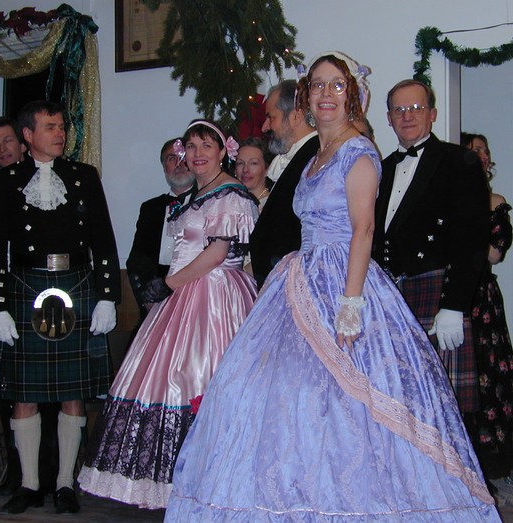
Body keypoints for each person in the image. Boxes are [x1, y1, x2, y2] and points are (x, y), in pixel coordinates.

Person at [165, 53, 499, 521]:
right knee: (283, 396)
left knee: (348, 403)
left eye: (336, 86)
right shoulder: (314, 156)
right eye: (318, 85)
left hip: (343, 279)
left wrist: (351, 303)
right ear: (307, 96)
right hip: (298, 280)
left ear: (353, 96)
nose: (326, 94)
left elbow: (363, 230)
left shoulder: (358, 151)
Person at [78, 119, 259, 509]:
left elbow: (217, 254)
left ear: (222, 150)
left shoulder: (230, 194)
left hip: (214, 297)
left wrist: (170, 285)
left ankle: (216, 489)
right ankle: (176, 488)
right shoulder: (194, 197)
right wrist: (170, 287)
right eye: (190, 146)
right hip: (184, 294)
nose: (196, 154)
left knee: (198, 376)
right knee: (163, 377)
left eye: (205, 146)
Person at [0, 100, 120, 515]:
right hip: (26, 285)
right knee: (24, 392)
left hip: (76, 284)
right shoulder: (5, 182)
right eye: (49, 127)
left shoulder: (83, 177)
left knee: (72, 392)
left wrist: (108, 295)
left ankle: (64, 484)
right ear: (28, 135)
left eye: (61, 126)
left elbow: (103, 239)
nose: (59, 133)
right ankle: (28, 484)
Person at [373, 81, 489, 421]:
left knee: (444, 412)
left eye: (416, 108)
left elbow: (472, 238)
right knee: (398, 403)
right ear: (389, 118)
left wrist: (455, 304)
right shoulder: (382, 167)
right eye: (399, 110)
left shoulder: (459, 161)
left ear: (433, 114)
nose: (407, 116)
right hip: (391, 298)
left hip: (436, 293)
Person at [0, 116, 61, 499]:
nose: (2, 150)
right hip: (13, 296)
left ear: (24, 140)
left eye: (7, 140)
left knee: (52, 394)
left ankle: (51, 477)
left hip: (49, 293)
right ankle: (19, 475)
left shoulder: (58, 180)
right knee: (13, 393)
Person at [461, 132, 513, 494]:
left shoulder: (496, 202)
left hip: (484, 296)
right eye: (473, 150)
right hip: (457, 296)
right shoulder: (453, 200)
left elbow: (495, 253)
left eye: (484, 149)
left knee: (491, 375)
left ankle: (496, 464)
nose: (480, 154)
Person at [249, 80, 319, 289]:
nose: (265, 127)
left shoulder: (314, 158)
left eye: (271, 117)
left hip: (298, 285)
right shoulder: (296, 158)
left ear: (296, 116)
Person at [126, 138, 195, 322]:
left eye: (183, 157)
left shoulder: (207, 204)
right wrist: (147, 300)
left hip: (196, 300)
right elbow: (137, 260)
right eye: (171, 158)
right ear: (164, 167)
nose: (179, 163)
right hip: (155, 300)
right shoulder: (150, 208)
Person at [235, 136, 275, 211]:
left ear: (267, 169)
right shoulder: (229, 202)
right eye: (240, 163)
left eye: (253, 163)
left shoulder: (273, 205)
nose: (245, 170)